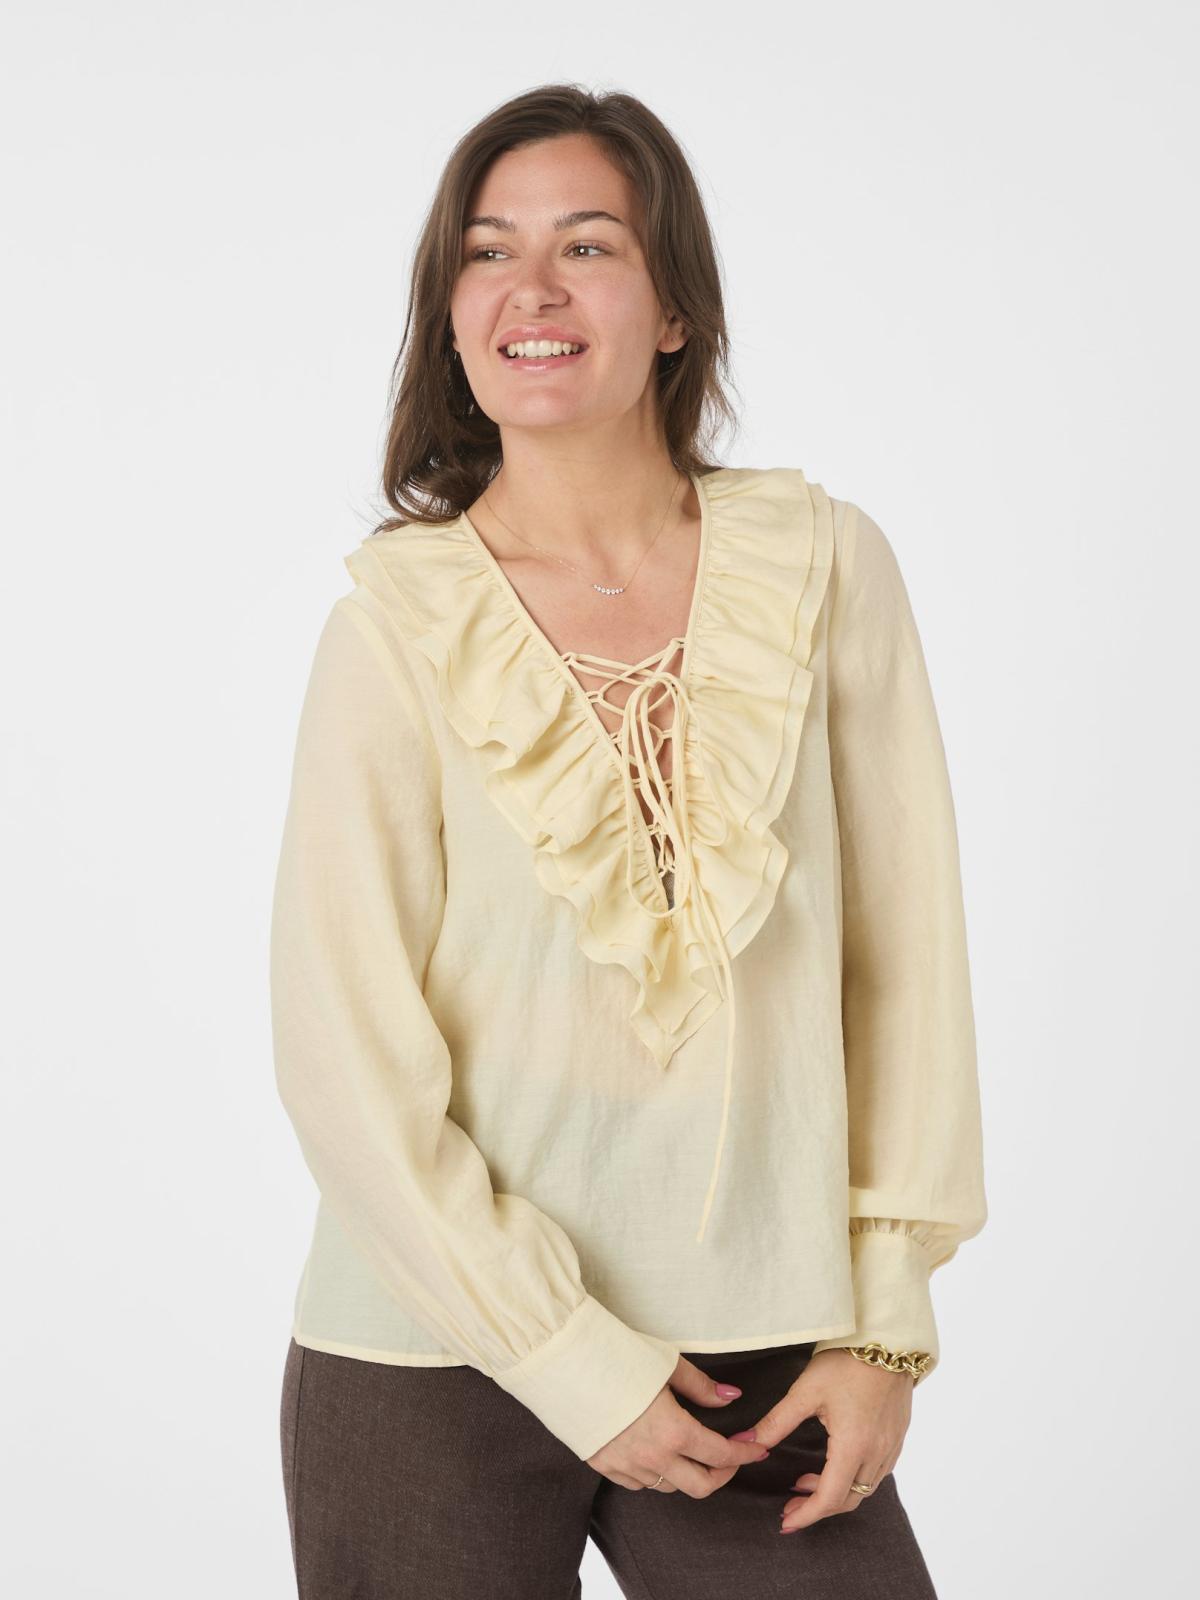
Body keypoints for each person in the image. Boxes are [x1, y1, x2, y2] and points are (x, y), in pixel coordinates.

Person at [270, 82, 987, 1598]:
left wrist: (879, 1325)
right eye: (487, 252)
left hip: (766, 1348)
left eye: (586, 245)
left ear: (675, 311)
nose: (530, 289)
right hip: (436, 1346)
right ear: (450, 315)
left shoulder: (824, 568)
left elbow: (905, 966)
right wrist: (563, 1354)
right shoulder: (397, 625)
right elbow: (344, 1050)